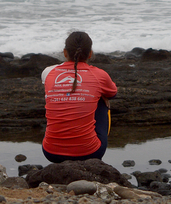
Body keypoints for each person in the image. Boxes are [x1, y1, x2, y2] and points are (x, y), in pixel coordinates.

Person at [41, 31, 117, 162]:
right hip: (90, 153)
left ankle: (60, 141)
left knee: (59, 100)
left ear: (65, 53)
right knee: (102, 98)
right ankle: (84, 143)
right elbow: (113, 93)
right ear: (90, 54)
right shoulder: (99, 75)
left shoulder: (49, 73)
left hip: (50, 152)